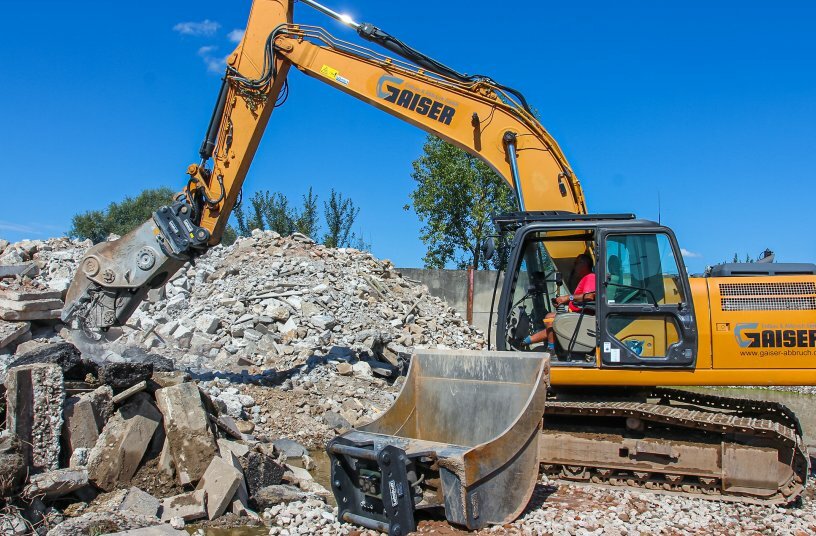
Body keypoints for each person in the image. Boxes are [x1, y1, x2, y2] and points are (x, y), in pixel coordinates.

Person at [522, 253, 596, 352]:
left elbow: (590, 296)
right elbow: (580, 299)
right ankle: (524, 342)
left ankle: (551, 350)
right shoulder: (586, 278)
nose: (574, 266)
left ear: (584, 263)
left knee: (550, 318)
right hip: (578, 315)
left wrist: (567, 298)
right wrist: (563, 301)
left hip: (582, 317)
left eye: (576, 263)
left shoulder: (590, 277)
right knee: (551, 326)